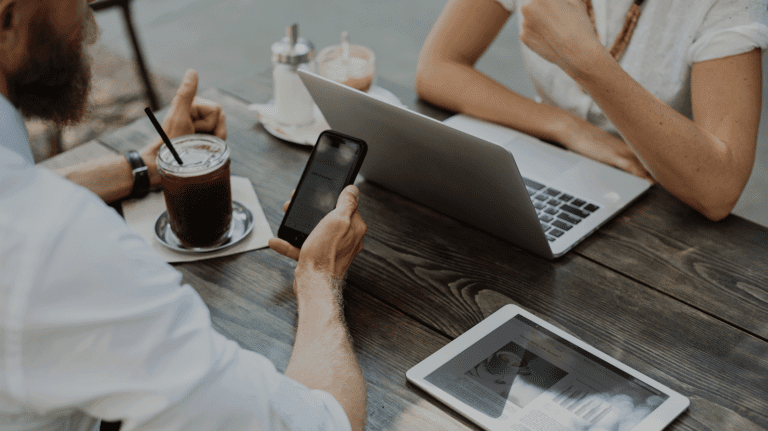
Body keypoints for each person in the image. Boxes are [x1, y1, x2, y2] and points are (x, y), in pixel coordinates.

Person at [0, 1, 367, 430]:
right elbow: (324, 424)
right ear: (8, 19)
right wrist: (320, 275)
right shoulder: (55, 249)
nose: (90, 19)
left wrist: (140, 167)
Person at [416, 0, 767, 221]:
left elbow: (719, 190)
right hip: (551, 164)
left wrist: (585, 60)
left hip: (662, 193)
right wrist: (566, 126)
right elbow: (437, 68)